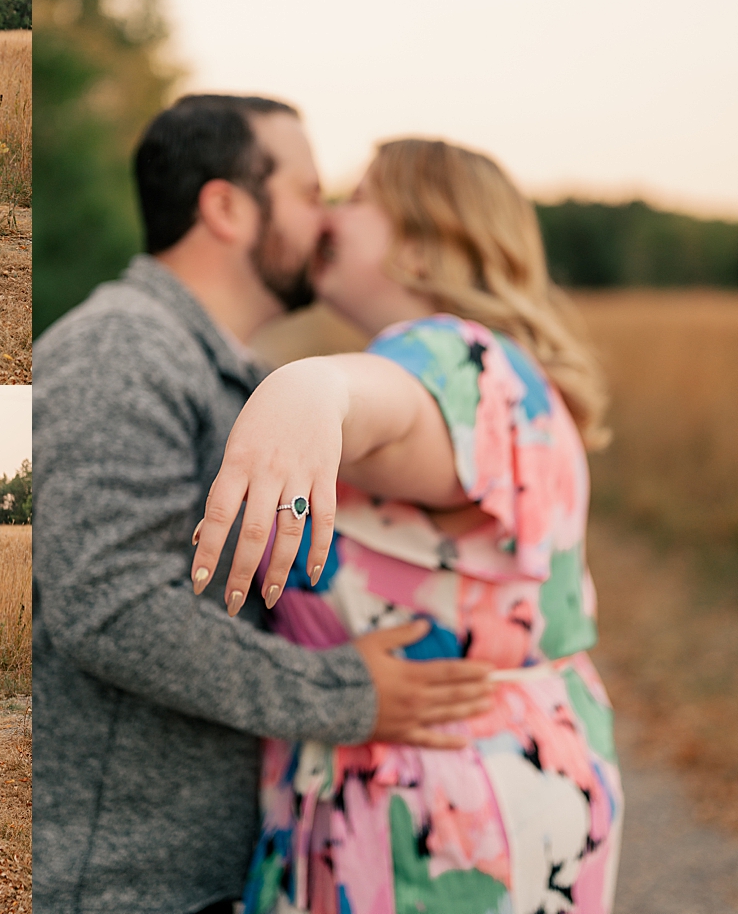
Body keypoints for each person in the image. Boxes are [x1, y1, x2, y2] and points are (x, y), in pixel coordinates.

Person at [33, 95, 495, 913]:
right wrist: (344, 694)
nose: (326, 223)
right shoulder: (120, 347)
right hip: (116, 884)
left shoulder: (220, 366)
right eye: (311, 193)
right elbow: (110, 605)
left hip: (191, 873)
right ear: (226, 206)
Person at [189, 138, 621, 913]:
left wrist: (313, 387)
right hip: (496, 780)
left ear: (422, 246)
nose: (327, 217)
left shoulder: (456, 356)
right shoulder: (510, 371)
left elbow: (390, 405)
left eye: (357, 200)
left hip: (439, 819)